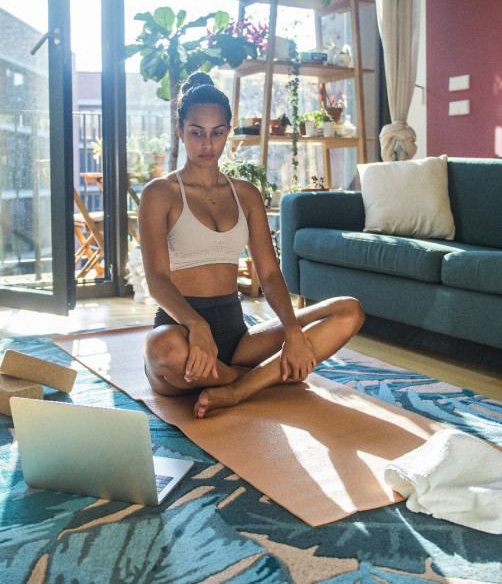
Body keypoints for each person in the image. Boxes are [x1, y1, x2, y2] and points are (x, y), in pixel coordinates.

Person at [140, 72, 364, 418]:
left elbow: (270, 273)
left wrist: (292, 331)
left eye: (217, 133)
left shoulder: (245, 194)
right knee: (162, 350)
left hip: (237, 338)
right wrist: (196, 326)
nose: (207, 144)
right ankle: (263, 379)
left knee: (349, 310)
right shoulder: (159, 194)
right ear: (180, 131)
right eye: (197, 132)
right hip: (182, 335)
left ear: (228, 132)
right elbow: (156, 279)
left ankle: (236, 388)